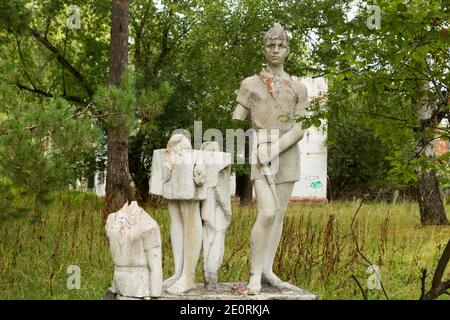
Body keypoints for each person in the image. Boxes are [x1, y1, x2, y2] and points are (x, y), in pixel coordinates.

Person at [232, 23, 309, 295]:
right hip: (260, 151)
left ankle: (267, 270)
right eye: (270, 45)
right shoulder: (250, 83)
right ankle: (254, 274)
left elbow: (300, 128)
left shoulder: (298, 87)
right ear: (263, 49)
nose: (275, 50)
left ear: (287, 49)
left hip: (285, 153)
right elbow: (237, 118)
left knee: (279, 215)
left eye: (281, 45)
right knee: (266, 212)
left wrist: (274, 149)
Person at [199, 141, 232, 288]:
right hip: (211, 208)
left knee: (217, 235)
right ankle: (209, 276)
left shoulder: (223, 163)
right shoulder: (204, 165)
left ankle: (211, 276)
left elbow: (222, 186)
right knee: (211, 235)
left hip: (218, 210)